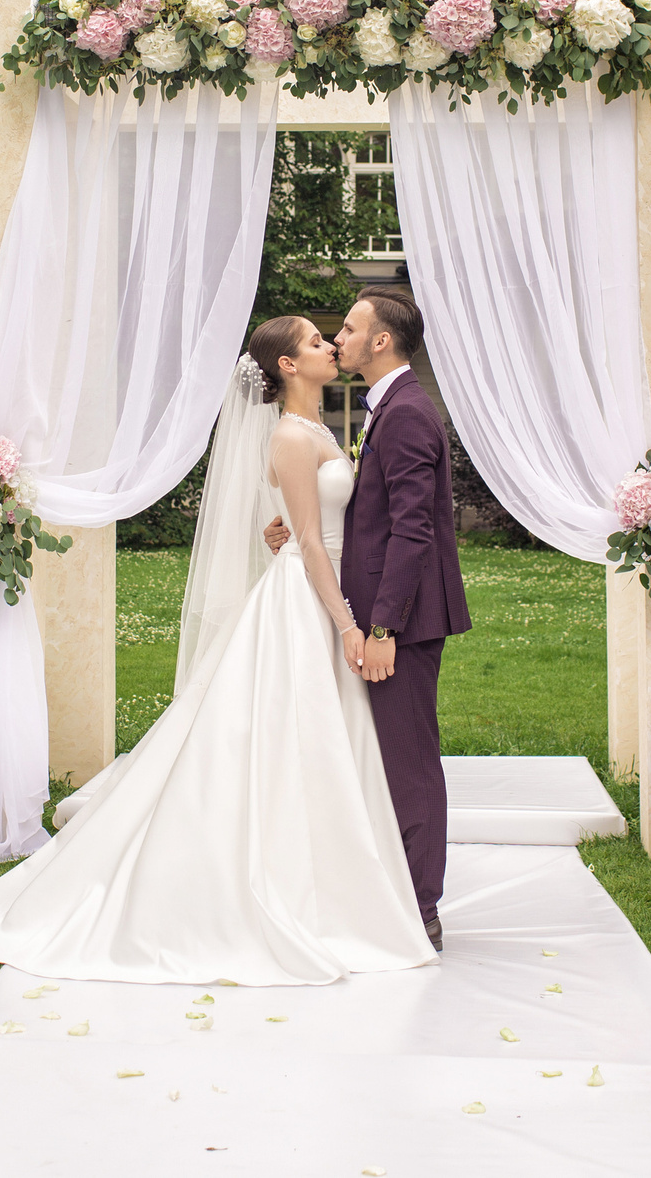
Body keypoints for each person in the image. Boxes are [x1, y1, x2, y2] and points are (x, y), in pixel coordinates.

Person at [0, 316, 434, 986]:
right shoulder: (292, 435)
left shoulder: (317, 429)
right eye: (317, 341)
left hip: (324, 588)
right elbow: (312, 543)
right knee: (294, 733)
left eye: (331, 336)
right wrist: (347, 624)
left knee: (321, 738)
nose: (330, 344)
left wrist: (292, 528)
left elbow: (320, 520)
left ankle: (337, 876)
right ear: (288, 366)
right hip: (310, 598)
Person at [268, 286, 468, 951]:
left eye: (348, 330)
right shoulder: (387, 407)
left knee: (408, 762)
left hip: (400, 622)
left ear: (380, 341)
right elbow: (377, 512)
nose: (338, 339)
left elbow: (413, 531)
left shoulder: (404, 412)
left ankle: (421, 909)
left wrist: (383, 629)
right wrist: (296, 526)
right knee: (384, 757)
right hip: (381, 614)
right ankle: (391, 894)